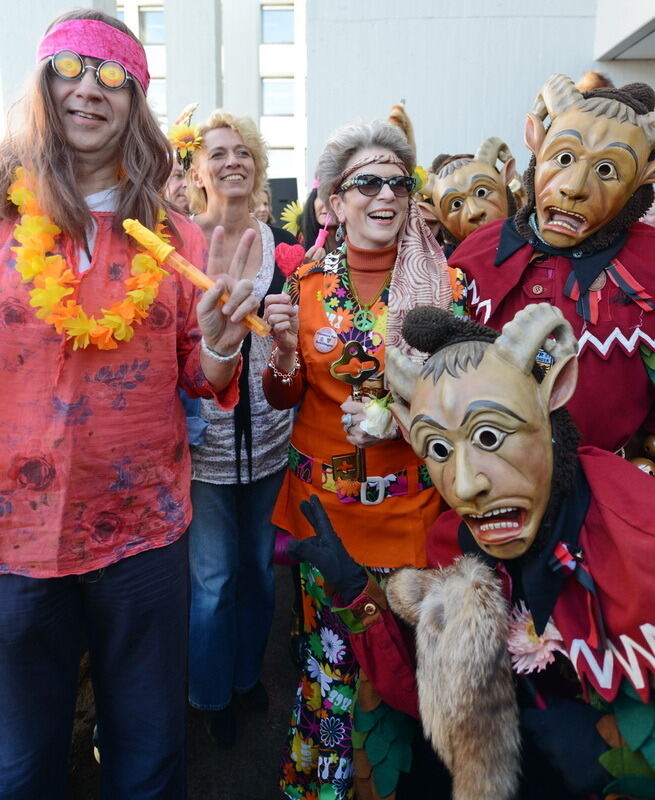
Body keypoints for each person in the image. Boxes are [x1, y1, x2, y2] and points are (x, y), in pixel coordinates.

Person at [0, 11, 259, 799]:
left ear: (135, 102)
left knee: (148, 763)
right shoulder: (5, 223)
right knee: (19, 769)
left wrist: (220, 342)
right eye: (71, 69)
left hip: (143, 536)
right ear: (42, 86)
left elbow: (201, 375)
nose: (89, 89)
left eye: (112, 77)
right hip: (15, 540)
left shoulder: (172, 235)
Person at [301, 303, 655, 799]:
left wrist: (621, 756)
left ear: (550, 400)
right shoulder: (454, 549)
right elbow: (434, 706)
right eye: (439, 450)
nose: (466, 485)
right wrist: (359, 594)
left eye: (490, 436)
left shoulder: (635, 528)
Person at [263, 119, 453, 799]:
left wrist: (400, 419)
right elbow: (283, 395)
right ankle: (331, 787)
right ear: (331, 204)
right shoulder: (304, 285)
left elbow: (463, 402)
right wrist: (282, 354)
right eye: (364, 182)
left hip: (413, 516)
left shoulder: (442, 286)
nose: (385, 194)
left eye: (398, 182)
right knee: (336, 664)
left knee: (404, 665)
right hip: (326, 519)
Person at [449, 74, 655, 455]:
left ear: (644, 176)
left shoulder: (650, 263)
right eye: (563, 158)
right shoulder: (477, 254)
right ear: (536, 142)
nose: (574, 186)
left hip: (609, 487)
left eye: (607, 170)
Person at [185, 109, 296, 748]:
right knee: (212, 581)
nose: (232, 160)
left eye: (243, 152)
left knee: (257, 571)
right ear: (198, 170)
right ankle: (208, 694)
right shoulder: (181, 247)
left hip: (270, 444)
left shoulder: (281, 252)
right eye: (218, 152)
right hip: (205, 451)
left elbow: (296, 347)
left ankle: (248, 677)